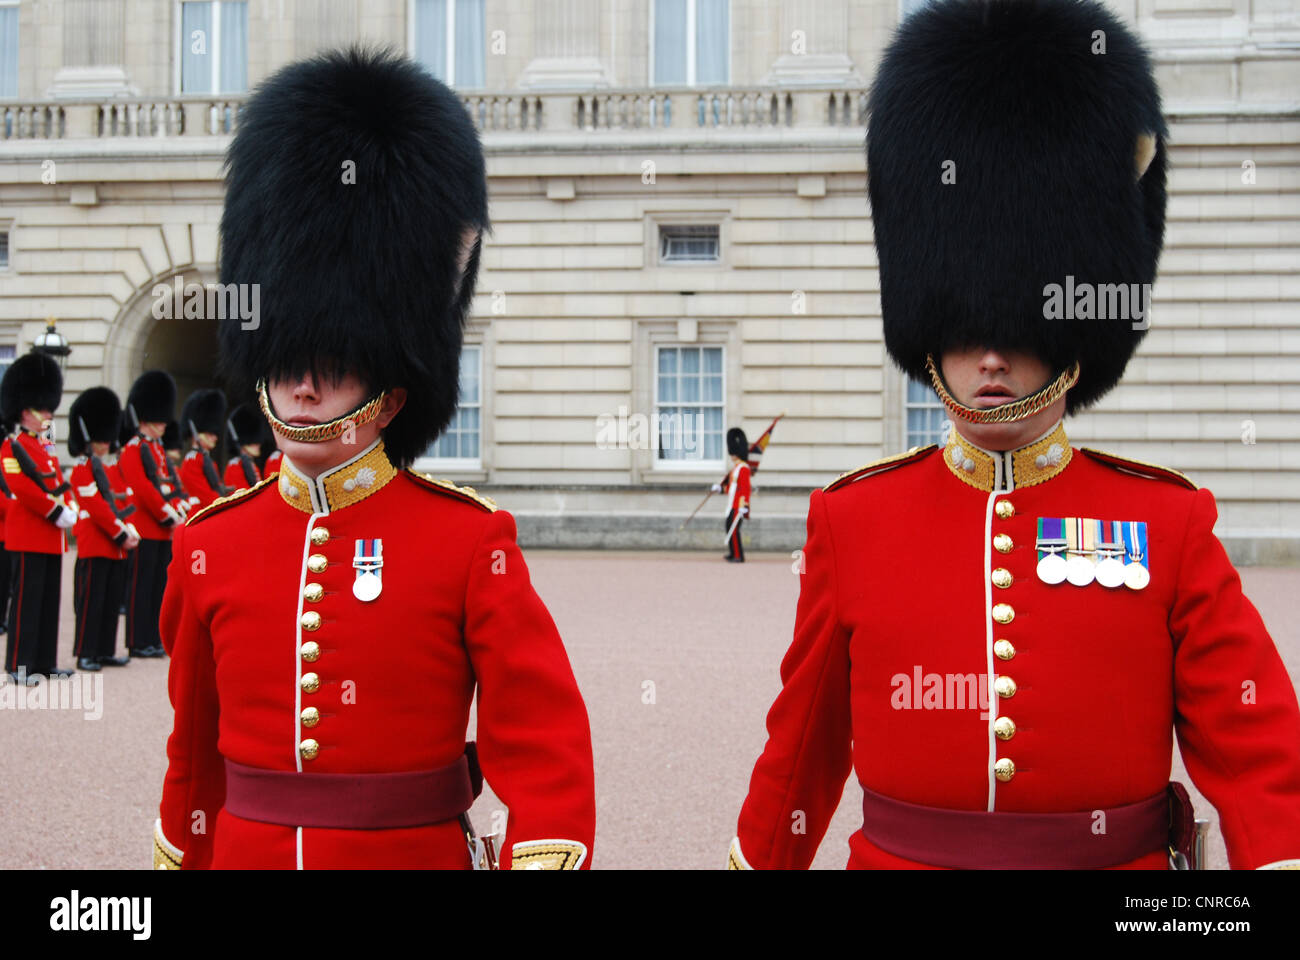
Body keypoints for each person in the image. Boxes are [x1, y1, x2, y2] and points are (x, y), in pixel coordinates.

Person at [729, 0, 1300, 871]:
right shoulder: (854, 521)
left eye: (1025, 326)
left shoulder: (1168, 525)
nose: (992, 354)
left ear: (1072, 336)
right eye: (965, 328)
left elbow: (1259, 749)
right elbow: (803, 749)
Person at [153, 47, 596, 871]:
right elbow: (193, 766)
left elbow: (544, 752)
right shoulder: (208, 546)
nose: (304, 382)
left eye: (333, 361)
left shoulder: (468, 543)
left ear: (393, 388)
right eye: (287, 358)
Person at [1, 352, 77, 682]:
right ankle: (18, 666)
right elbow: (21, 488)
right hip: (29, 533)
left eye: (49, 408)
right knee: (26, 603)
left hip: (51, 536)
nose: (47, 414)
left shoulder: (44, 447)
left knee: (48, 603)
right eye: (42, 409)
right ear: (25, 411)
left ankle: (45, 663)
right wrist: (55, 510)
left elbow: (58, 480)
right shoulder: (11, 447)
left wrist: (71, 504)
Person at [68, 387, 140, 671]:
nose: (105, 444)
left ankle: (105, 650)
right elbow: (95, 506)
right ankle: (86, 652)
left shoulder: (110, 469)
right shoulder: (81, 469)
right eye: (101, 439)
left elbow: (126, 497)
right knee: (91, 603)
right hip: (96, 543)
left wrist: (129, 526)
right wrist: (120, 532)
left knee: (110, 601)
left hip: (116, 546)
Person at [118, 370, 185, 659]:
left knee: (158, 586)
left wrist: (178, 505)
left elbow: (167, 482)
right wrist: (165, 512)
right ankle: (136, 640)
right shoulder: (133, 449)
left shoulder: (157, 449)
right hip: (146, 526)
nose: (162, 425)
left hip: (163, 529)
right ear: (144, 418)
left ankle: (153, 637)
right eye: (158, 420)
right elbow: (142, 487)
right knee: (140, 588)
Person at [178, 389, 229, 511]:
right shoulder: (192, 460)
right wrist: (223, 504)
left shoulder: (208, 460)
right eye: (209, 433)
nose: (215, 437)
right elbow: (204, 493)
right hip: (199, 515)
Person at [712, 428, 751, 563]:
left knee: (733, 530)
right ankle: (733, 552)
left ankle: (738, 555)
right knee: (729, 527)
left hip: (738, 504)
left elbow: (745, 489)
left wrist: (744, 505)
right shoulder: (736, 468)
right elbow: (732, 488)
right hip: (732, 504)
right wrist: (720, 489)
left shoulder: (744, 468)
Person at [222, 404, 263, 492]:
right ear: (245, 443)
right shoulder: (234, 466)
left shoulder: (253, 465)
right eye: (253, 442)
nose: (258, 444)